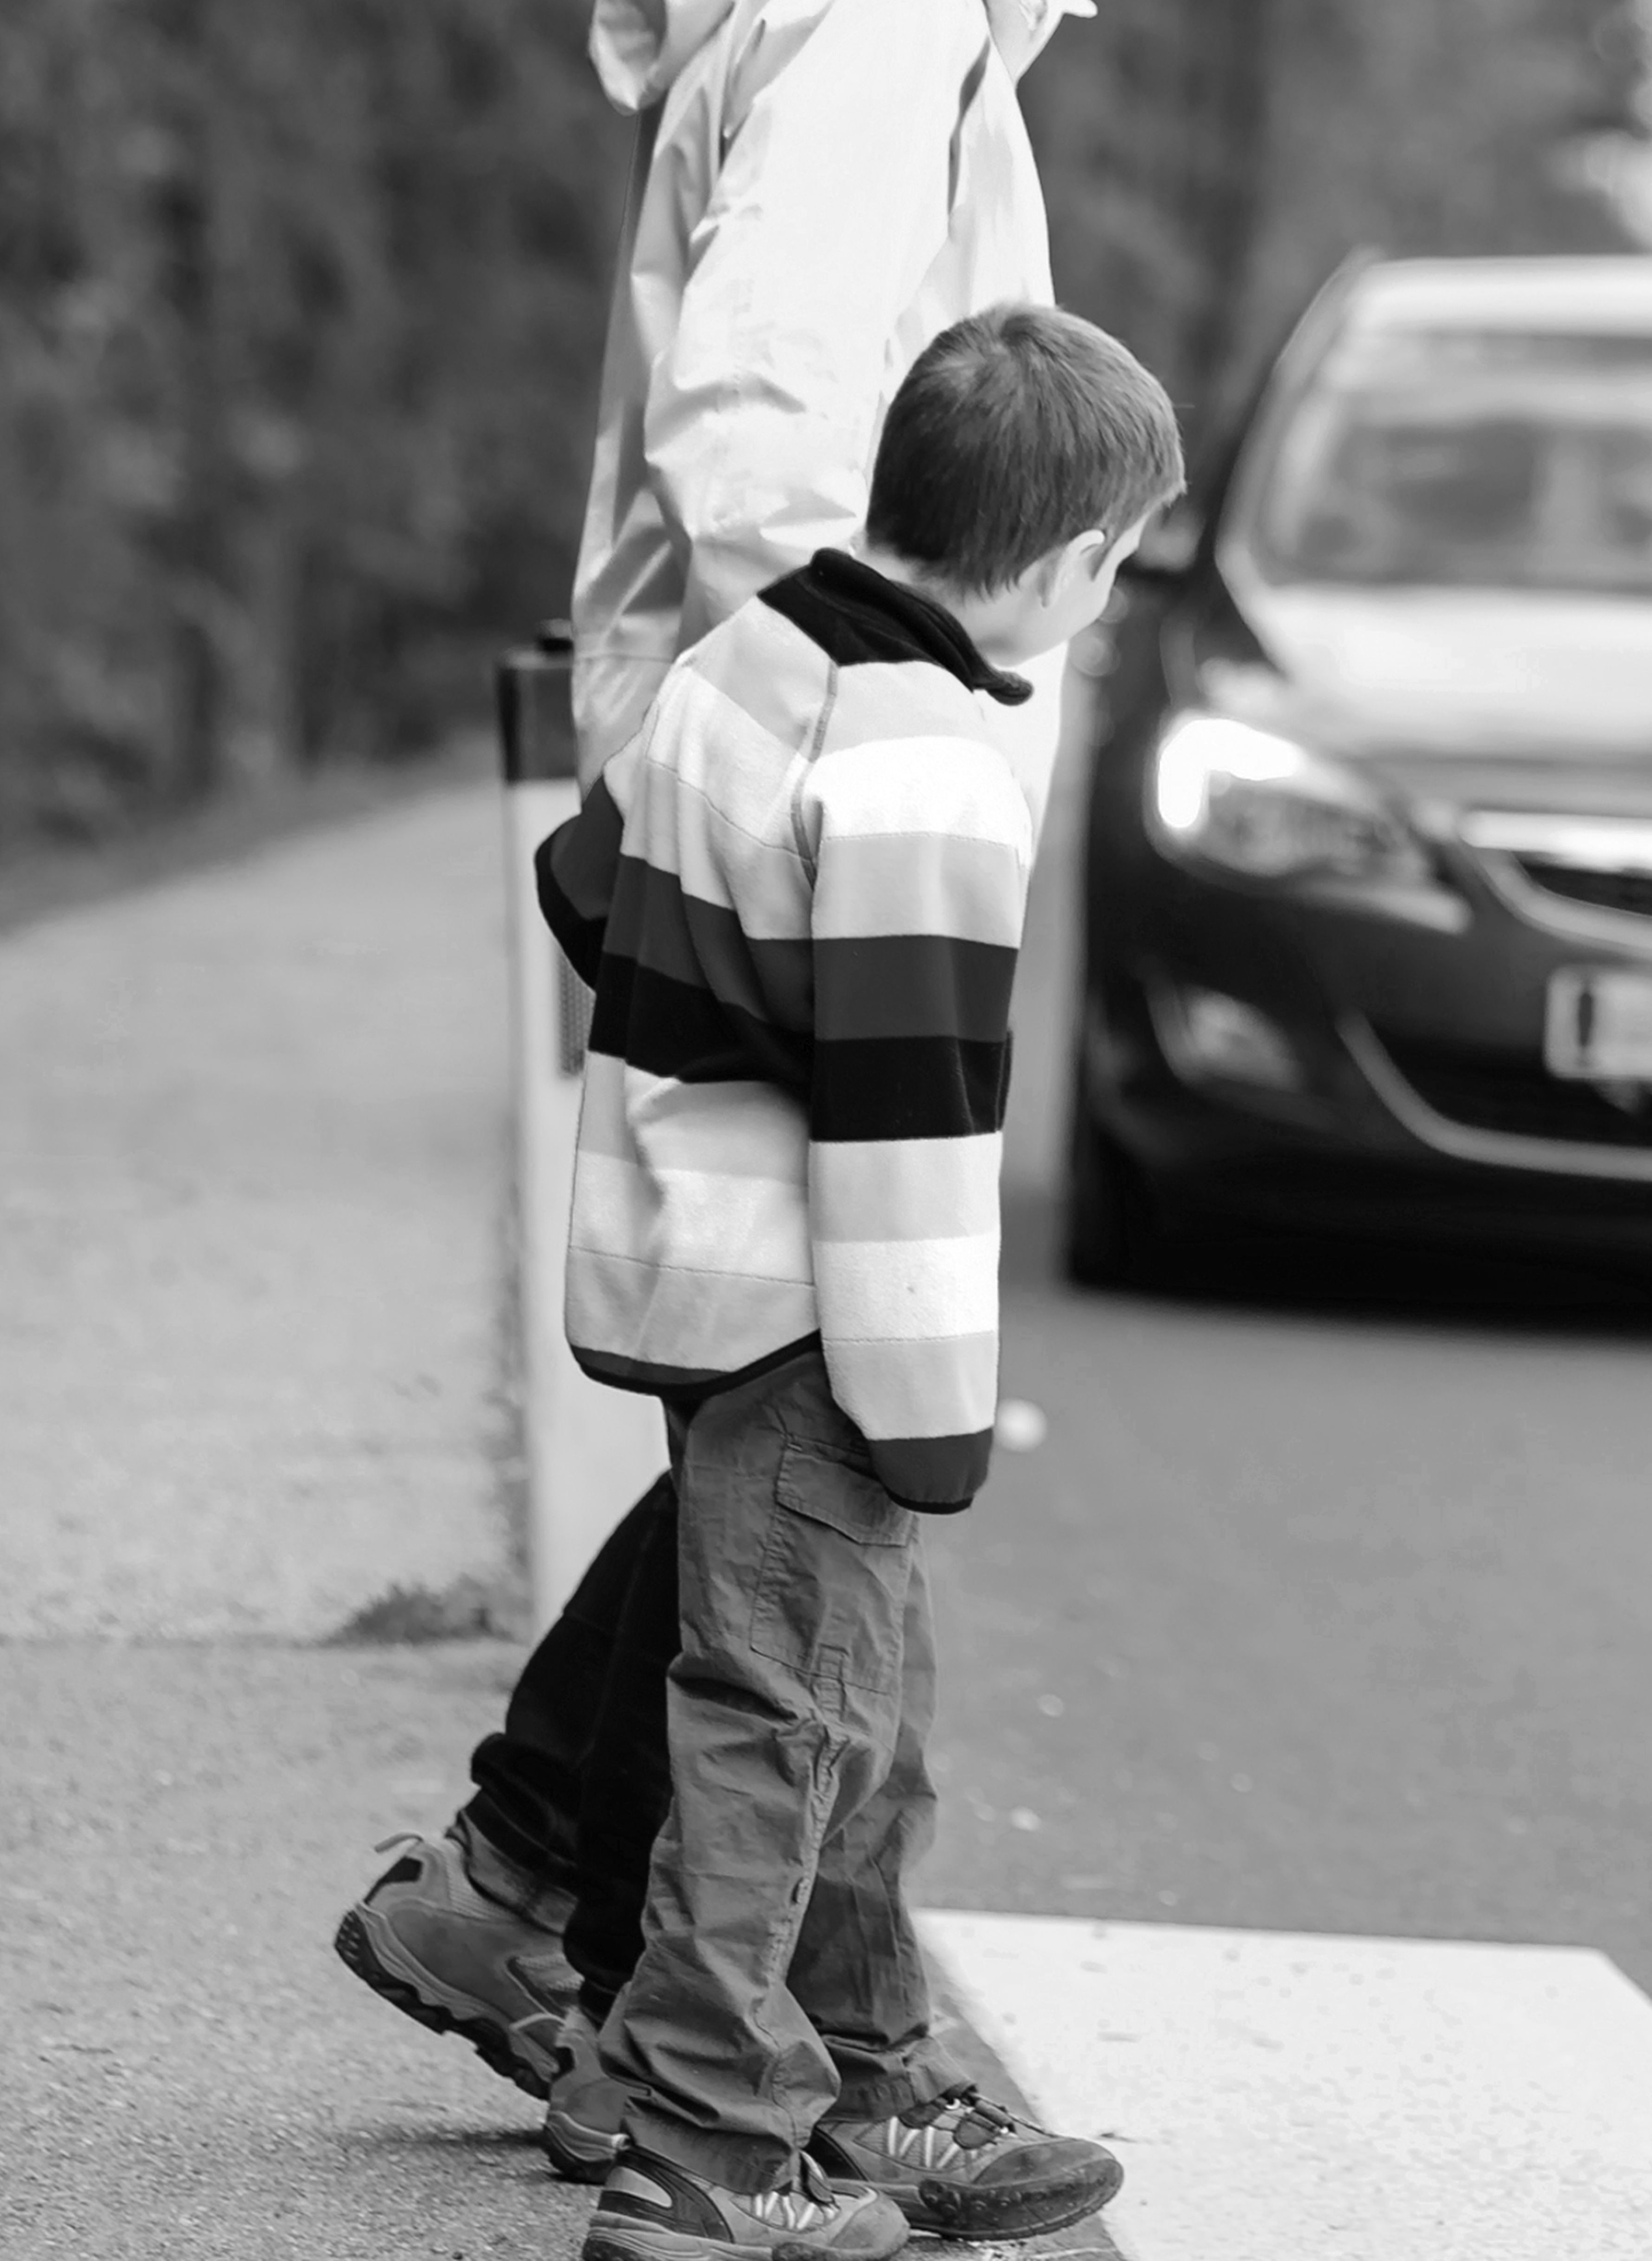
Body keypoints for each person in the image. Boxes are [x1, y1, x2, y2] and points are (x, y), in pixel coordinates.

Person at [329, 0, 1162, 2230]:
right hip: (803, 805)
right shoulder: (874, 2)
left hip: (731, 759)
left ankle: (522, 1898)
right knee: (825, 1454)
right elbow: (778, 423)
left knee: (766, 1428)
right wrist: (892, 704)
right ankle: (796, 2061)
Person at [549, 303, 1181, 2258]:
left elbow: (590, 878)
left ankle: (861, 2072)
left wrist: (729, 997)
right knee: (785, 1708)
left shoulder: (751, 652)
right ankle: (706, 2137)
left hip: (681, 1244)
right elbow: (910, 1132)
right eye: (1125, 565)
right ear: (1073, 564)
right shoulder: (926, 761)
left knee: (848, 1691)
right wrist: (932, 1413)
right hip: (816, 1303)